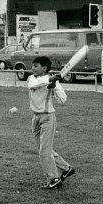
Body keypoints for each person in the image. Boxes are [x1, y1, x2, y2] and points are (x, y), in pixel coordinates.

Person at [27, 56, 74, 190]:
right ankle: (66, 168)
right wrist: (50, 80)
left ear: (44, 68)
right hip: (35, 118)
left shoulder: (53, 81)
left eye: (36, 66)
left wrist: (54, 88)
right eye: (33, 66)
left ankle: (54, 178)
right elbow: (35, 84)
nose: (33, 68)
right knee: (44, 149)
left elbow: (63, 100)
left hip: (48, 118)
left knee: (44, 151)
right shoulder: (31, 78)